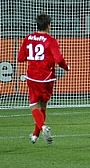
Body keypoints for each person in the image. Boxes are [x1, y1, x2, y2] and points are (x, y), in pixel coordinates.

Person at [17, 13, 69, 145]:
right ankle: (35, 135)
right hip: (47, 79)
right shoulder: (51, 40)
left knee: (34, 106)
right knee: (43, 106)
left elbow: (20, 58)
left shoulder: (28, 38)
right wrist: (65, 67)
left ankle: (43, 127)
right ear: (48, 26)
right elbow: (59, 59)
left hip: (33, 77)